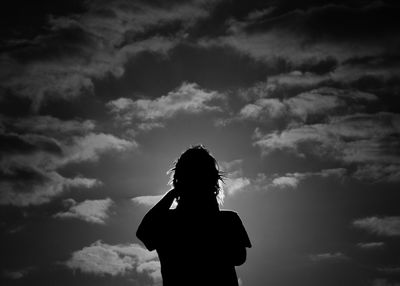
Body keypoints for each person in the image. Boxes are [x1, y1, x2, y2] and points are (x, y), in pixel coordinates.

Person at [137, 145, 251, 286]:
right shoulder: (167, 220)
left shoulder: (228, 220)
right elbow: (144, 233)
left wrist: (175, 192)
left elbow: (239, 257)